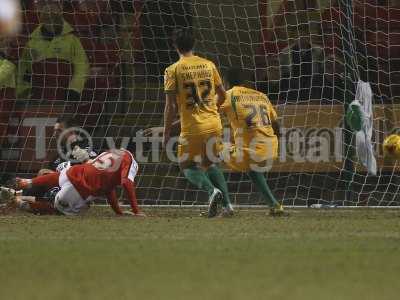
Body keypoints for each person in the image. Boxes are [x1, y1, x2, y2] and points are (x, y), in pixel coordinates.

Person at [163, 29, 233, 217]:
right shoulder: (209, 65)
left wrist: (166, 132)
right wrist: (213, 110)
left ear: (175, 46)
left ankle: (212, 192)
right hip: (213, 123)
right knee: (209, 163)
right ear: (194, 45)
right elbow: (223, 95)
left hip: (192, 127)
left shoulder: (173, 70)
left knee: (185, 165)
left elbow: (170, 106)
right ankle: (227, 206)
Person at [219, 67, 285, 215]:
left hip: (253, 152)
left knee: (209, 150)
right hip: (271, 149)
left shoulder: (228, 95)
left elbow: (208, 113)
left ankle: (224, 205)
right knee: (252, 168)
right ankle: (275, 206)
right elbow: (276, 124)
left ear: (225, 82)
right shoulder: (261, 95)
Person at [13, 149, 144, 217]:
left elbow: (108, 188)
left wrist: (118, 212)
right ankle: (20, 203)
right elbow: (127, 183)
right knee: (57, 210)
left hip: (72, 172)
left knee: (52, 176)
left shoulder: (112, 152)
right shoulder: (131, 161)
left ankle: (27, 182)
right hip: (79, 189)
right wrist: (136, 211)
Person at [16, 0, 89, 101]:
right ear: (42, 18)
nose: (51, 20)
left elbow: (82, 66)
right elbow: (23, 71)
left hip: (66, 95)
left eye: (54, 17)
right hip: (39, 99)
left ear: (60, 15)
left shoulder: (72, 41)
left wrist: (75, 88)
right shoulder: (31, 44)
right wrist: (24, 92)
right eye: (47, 18)